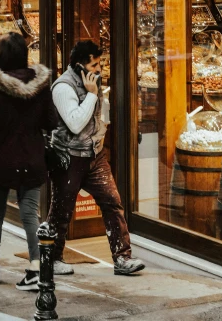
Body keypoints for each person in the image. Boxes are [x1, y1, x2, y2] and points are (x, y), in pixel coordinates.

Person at [48, 40, 145, 277]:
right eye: (94, 64)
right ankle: (51, 257)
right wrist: (91, 96)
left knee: (112, 201)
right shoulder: (63, 88)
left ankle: (122, 257)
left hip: (94, 155)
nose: (99, 69)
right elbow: (74, 122)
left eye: (99, 63)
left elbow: (97, 117)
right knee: (62, 209)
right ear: (80, 66)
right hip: (69, 157)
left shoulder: (93, 82)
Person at [0, 32, 57, 291]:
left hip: (1, 159)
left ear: (0, 57)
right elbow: (51, 121)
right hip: (32, 157)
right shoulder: (41, 85)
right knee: (29, 213)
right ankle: (36, 267)